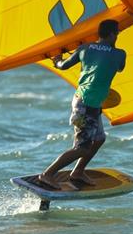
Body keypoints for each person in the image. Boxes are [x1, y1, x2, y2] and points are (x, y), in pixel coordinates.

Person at [37, 19, 126, 189]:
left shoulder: (84, 48)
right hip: (86, 105)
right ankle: (47, 174)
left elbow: (63, 66)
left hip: (85, 101)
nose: (118, 36)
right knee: (82, 148)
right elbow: (120, 67)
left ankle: (77, 171)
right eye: (117, 33)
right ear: (113, 34)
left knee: (99, 139)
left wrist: (57, 60)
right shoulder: (119, 54)